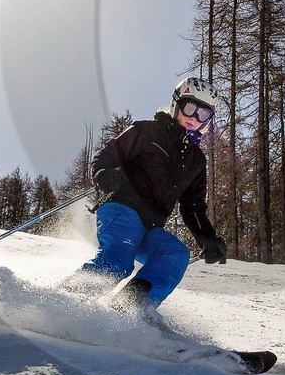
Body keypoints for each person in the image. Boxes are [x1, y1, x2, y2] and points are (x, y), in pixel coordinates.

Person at [60, 75, 228, 311]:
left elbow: (193, 207)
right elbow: (107, 155)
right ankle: (63, 302)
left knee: (176, 254)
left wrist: (207, 237)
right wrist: (103, 173)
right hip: (122, 210)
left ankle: (129, 310)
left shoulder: (196, 161)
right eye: (190, 108)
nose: (194, 118)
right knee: (118, 262)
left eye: (204, 114)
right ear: (176, 104)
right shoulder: (147, 131)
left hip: (151, 227)